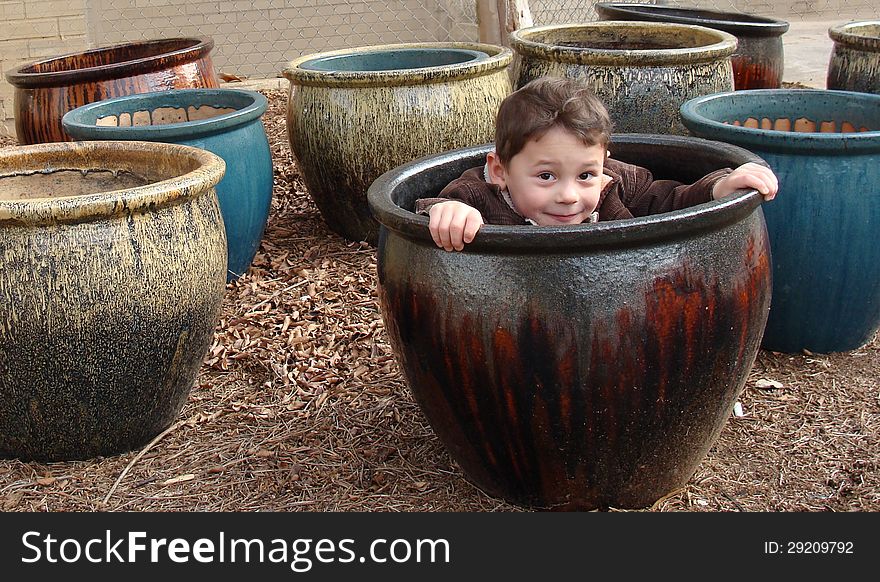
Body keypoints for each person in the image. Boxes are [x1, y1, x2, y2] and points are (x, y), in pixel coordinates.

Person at [415, 76, 778, 251]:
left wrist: (720, 186)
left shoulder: (617, 184)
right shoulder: (479, 195)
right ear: (500, 171)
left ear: (604, 163)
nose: (570, 195)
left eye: (586, 174)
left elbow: (673, 202)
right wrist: (449, 211)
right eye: (546, 176)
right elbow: (427, 208)